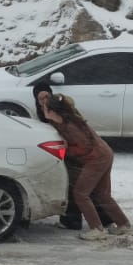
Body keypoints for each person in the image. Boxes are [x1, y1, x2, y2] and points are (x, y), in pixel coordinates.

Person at [38, 91, 132, 242]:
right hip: (104, 154)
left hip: (96, 159)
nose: (42, 109)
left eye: (45, 108)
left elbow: (84, 148)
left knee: (81, 193)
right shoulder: (63, 120)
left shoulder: (70, 126)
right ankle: (124, 225)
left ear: (53, 111)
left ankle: (96, 229)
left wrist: (64, 150)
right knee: (103, 195)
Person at [33, 85, 84, 230]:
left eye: (47, 97)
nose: (44, 101)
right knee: (73, 187)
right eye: (40, 98)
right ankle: (72, 220)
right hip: (65, 152)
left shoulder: (60, 110)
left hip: (77, 152)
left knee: (77, 187)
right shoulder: (43, 112)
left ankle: (76, 221)